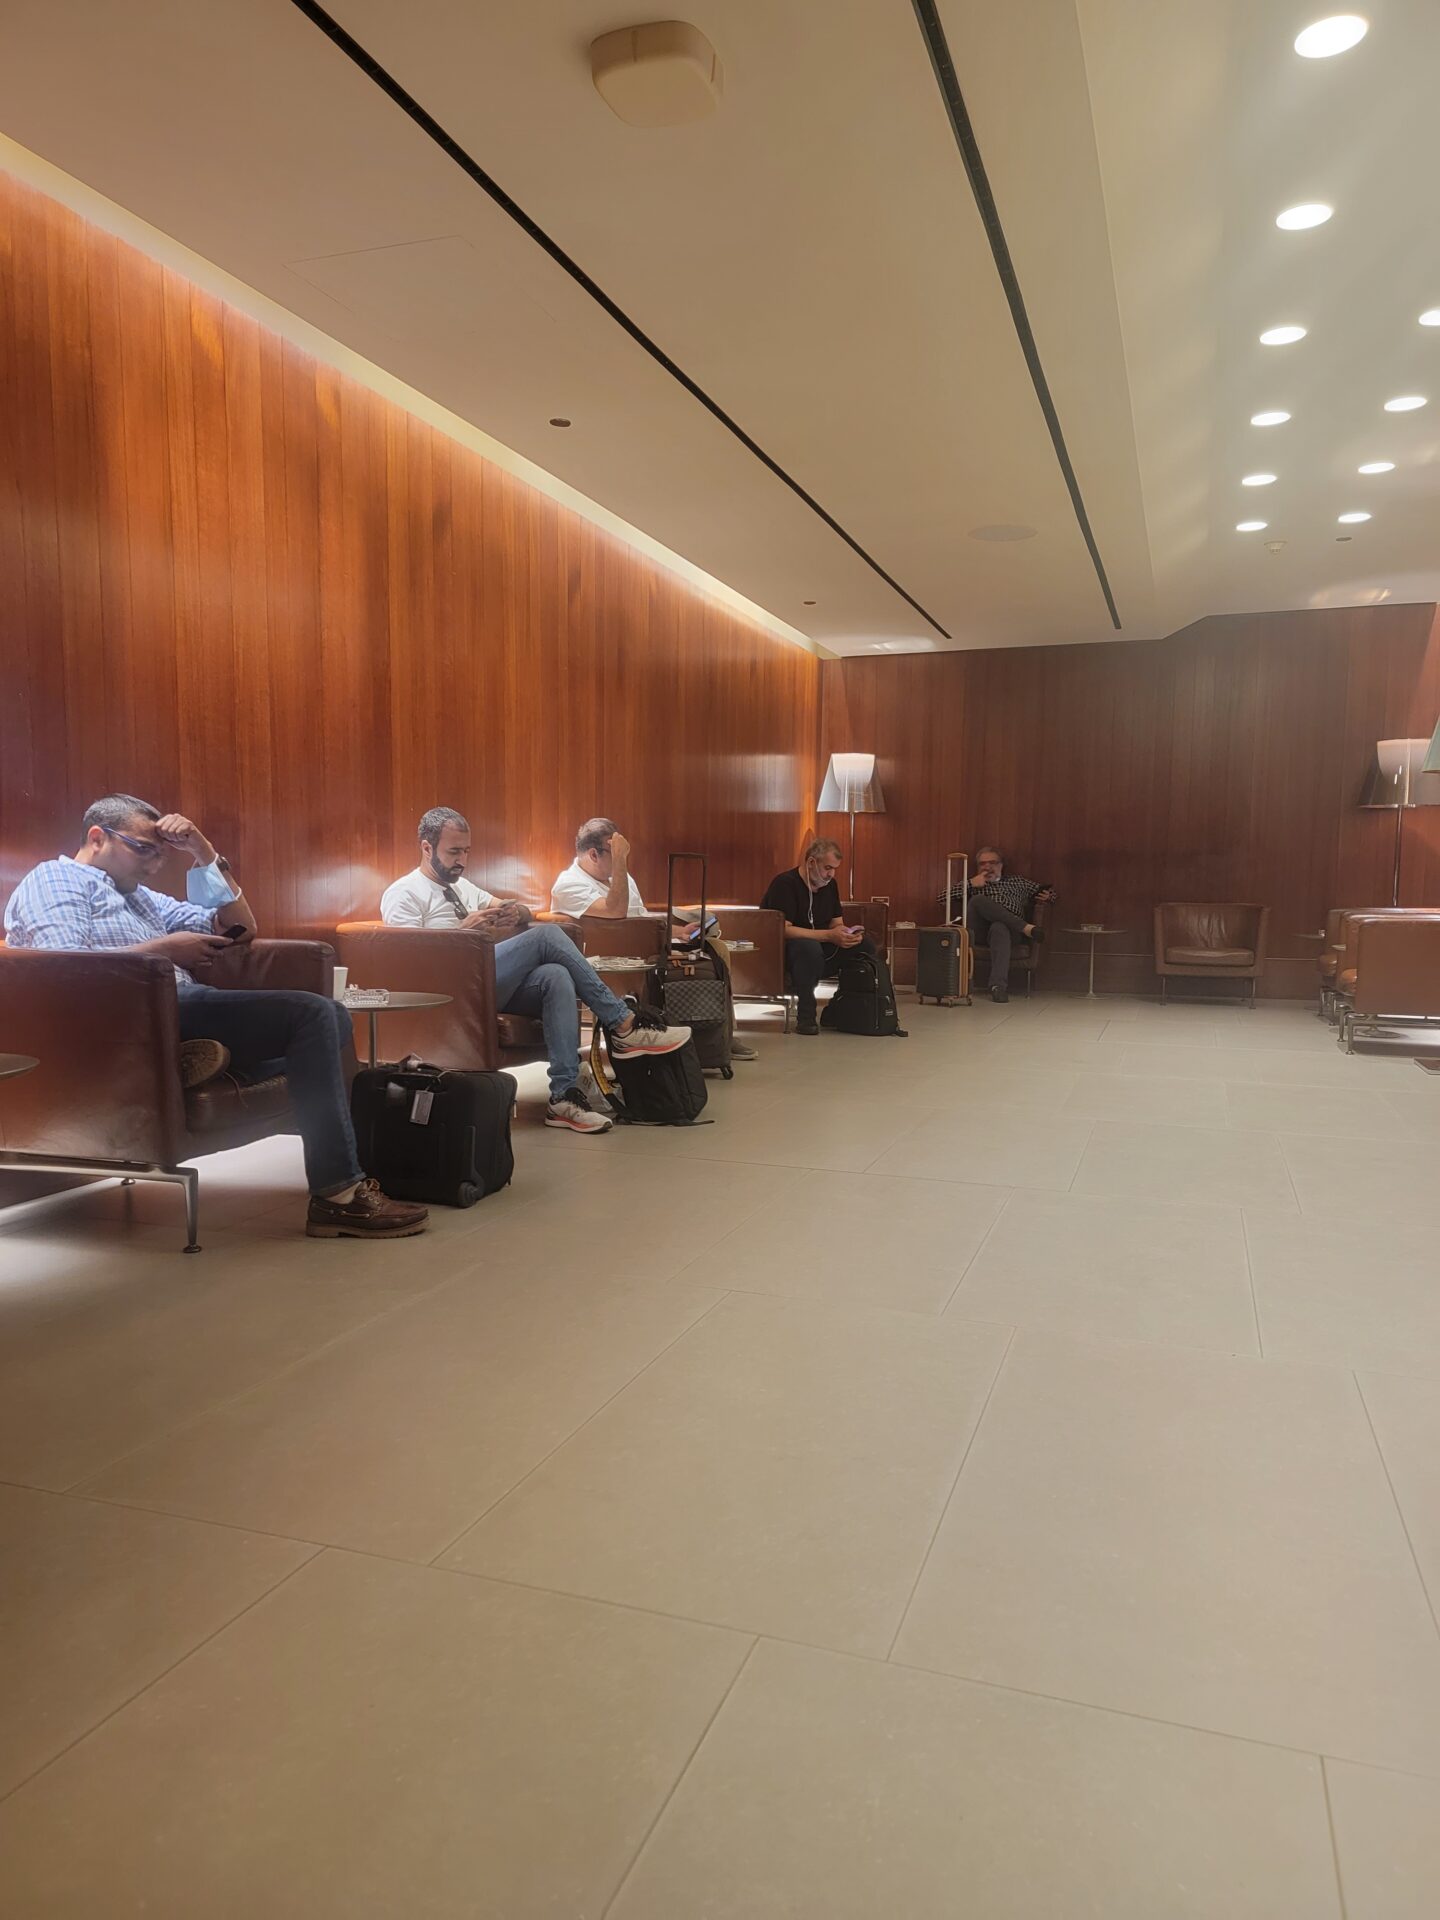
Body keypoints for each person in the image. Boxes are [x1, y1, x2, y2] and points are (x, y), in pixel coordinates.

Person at [4, 794, 429, 1239]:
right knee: (314, 1017)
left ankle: (204, 1057)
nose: (154, 864)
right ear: (97, 837)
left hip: (181, 1006)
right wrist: (163, 951)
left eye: (161, 853)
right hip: (127, 1016)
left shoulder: (142, 898)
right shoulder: (57, 879)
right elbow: (66, 967)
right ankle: (338, 1196)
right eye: (143, 849)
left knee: (329, 1019)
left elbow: (239, 928)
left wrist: (202, 851)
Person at [381, 807, 692, 1134]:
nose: (462, 860)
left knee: (555, 976)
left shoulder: (463, 887)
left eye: (466, 851)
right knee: (547, 934)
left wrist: (512, 912)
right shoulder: (403, 893)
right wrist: (462, 930)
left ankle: (563, 1097)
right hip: (448, 991)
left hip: (485, 980)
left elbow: (517, 908)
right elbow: (411, 965)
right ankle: (624, 1024)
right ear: (427, 848)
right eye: (453, 852)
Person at [550, 817, 757, 1060]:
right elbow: (615, 911)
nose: (622, 859)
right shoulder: (568, 884)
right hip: (615, 958)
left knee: (715, 949)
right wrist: (621, 863)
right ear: (594, 854)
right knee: (702, 958)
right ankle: (702, 1038)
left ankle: (720, 1035)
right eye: (615, 852)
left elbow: (641, 918)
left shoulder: (621, 878)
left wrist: (675, 932)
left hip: (645, 945)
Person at [760, 836, 905, 1037]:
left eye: (834, 868)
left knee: (864, 946)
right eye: (827, 868)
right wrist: (828, 936)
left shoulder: (830, 885)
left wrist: (847, 934)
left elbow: (836, 923)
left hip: (823, 946)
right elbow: (781, 930)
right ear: (811, 862)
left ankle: (839, 1005)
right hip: (789, 951)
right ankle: (806, 1016)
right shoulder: (784, 884)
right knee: (807, 947)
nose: (831, 874)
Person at [959, 846, 1056, 1003]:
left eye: (992, 863)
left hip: (1011, 933)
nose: (987, 867)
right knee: (977, 900)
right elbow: (942, 897)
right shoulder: (973, 883)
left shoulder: (1017, 882)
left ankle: (998, 987)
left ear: (1001, 865)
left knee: (999, 927)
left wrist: (1049, 896)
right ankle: (1026, 928)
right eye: (982, 864)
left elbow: (1050, 893)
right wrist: (969, 885)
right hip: (980, 932)